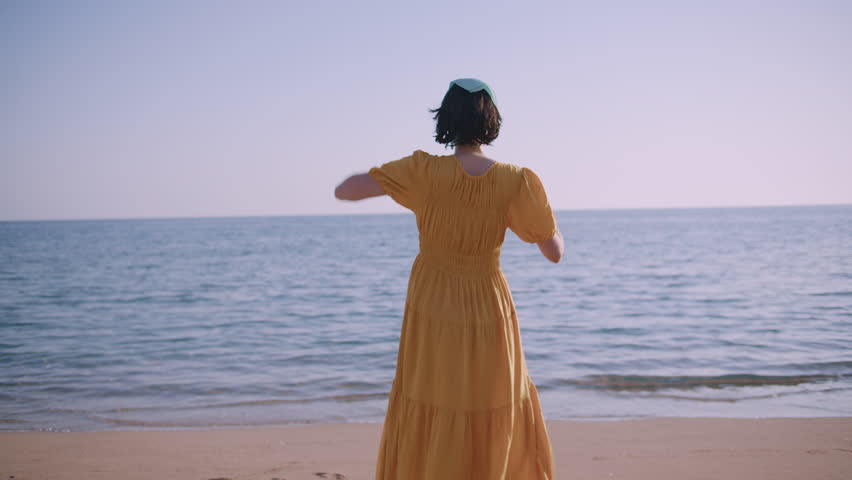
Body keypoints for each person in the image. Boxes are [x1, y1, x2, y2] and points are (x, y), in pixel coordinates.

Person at [334, 78, 563, 479]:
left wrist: (387, 179)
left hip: (432, 302)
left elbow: (345, 191)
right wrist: (548, 224)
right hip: (488, 302)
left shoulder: (423, 171)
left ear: (447, 118)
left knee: (432, 399)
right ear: (490, 120)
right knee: (491, 400)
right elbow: (554, 251)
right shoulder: (515, 180)